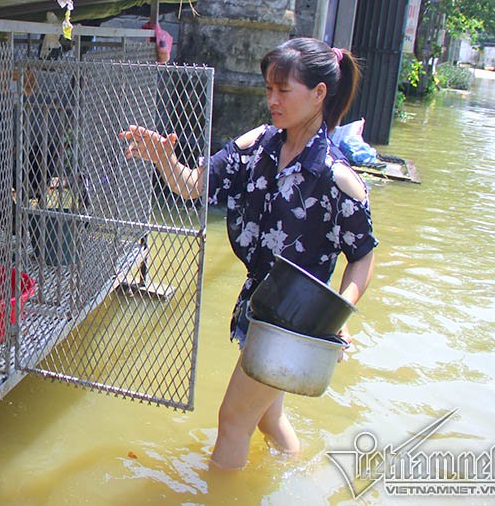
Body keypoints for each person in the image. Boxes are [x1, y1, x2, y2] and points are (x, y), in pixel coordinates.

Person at [119, 37, 377, 469]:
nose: (272, 100)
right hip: (259, 304)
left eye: (283, 90)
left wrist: (338, 312)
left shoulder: (338, 178)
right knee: (267, 419)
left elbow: (363, 255)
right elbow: (193, 185)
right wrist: (164, 160)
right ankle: (300, 480)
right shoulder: (259, 144)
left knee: (234, 419)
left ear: (319, 94)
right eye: (268, 89)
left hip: (294, 322)